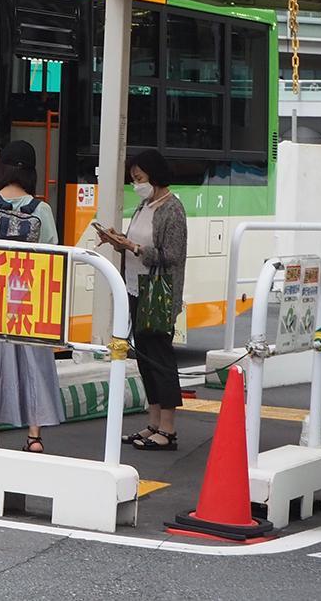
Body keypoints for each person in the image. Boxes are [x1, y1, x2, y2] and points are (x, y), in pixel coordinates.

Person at [0, 140, 64, 452]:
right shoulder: (42, 210)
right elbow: (52, 254)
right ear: (31, 172)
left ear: (1, 169)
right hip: (28, 296)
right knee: (34, 362)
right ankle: (34, 436)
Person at [97, 149, 187, 451]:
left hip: (158, 294)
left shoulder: (172, 210)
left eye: (139, 177)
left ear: (155, 175)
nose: (136, 183)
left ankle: (168, 429)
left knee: (161, 358)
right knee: (146, 359)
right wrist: (118, 241)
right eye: (134, 179)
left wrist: (133, 247)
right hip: (136, 288)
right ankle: (153, 423)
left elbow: (171, 255)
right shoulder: (145, 205)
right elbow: (137, 245)